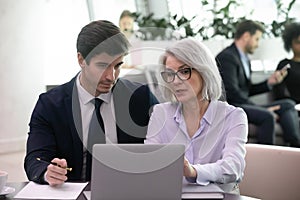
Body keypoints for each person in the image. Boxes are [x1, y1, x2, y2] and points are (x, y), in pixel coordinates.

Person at [24, 20, 159, 186]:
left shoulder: (140, 98)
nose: (111, 76)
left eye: (117, 66)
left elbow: (166, 147)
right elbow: (35, 159)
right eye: (102, 66)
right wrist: (48, 172)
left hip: (130, 190)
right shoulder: (50, 105)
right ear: (81, 60)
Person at [145, 38, 248, 192]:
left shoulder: (234, 116)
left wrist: (193, 171)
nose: (176, 81)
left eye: (184, 71)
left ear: (204, 71)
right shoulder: (160, 113)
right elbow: (150, 162)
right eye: (170, 74)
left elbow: (234, 168)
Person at [216, 20, 300, 146]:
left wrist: (269, 82)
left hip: (243, 103)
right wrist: (259, 108)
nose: (258, 44)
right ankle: (266, 160)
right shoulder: (227, 57)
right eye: (257, 39)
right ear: (246, 36)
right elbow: (232, 92)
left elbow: (247, 90)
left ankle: (295, 145)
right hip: (233, 107)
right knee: (267, 116)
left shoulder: (244, 59)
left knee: (288, 104)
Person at [273, 22, 300, 104]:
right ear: (290, 44)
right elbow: (279, 93)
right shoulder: (285, 65)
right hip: (293, 106)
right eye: (298, 42)